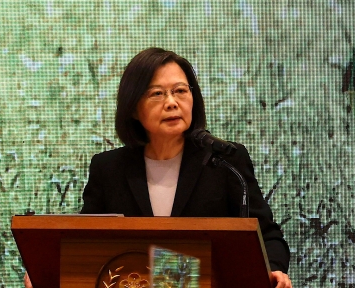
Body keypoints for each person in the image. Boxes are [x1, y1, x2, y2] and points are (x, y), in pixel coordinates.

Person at [24, 47, 292, 288]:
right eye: (157, 93)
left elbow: (267, 236)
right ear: (133, 108)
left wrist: (274, 270)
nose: (172, 102)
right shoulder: (109, 169)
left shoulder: (224, 161)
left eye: (180, 91)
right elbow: (83, 243)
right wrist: (47, 272)